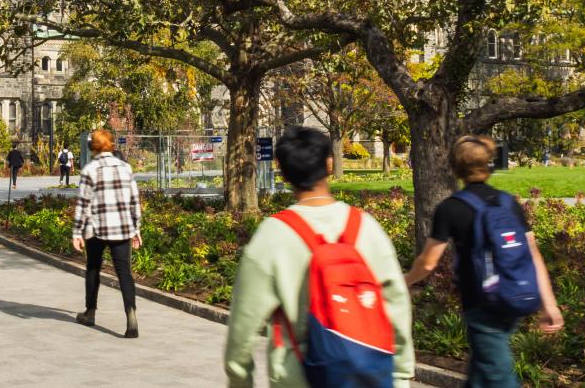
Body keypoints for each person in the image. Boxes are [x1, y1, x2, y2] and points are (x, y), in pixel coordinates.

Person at [224, 127, 413, 387]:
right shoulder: (366, 227)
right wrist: (401, 375)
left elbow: (243, 324)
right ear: (329, 162)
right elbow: (396, 302)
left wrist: (240, 380)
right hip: (369, 374)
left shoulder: (273, 235)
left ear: (283, 170)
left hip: (300, 377)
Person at [404, 136, 564, 388]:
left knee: (498, 375)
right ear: (488, 165)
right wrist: (549, 305)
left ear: (454, 168)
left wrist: (405, 281)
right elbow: (533, 254)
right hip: (516, 294)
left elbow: (427, 262)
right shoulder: (507, 202)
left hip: (483, 303)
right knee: (481, 374)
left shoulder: (451, 208)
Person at [73, 129, 144, 338]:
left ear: (92, 147)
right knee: (124, 272)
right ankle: (131, 315)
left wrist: (77, 232)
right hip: (122, 227)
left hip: (97, 227)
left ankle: (90, 311)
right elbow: (134, 201)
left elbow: (83, 204)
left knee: (93, 268)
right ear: (112, 145)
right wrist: (136, 228)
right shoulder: (125, 168)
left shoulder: (89, 170)